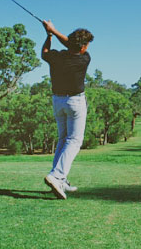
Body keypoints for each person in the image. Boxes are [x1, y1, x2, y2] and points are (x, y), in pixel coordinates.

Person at [41, 20, 94, 199]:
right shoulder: (84, 58)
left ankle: (60, 180)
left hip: (58, 101)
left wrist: (50, 34)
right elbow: (71, 45)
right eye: (86, 45)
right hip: (75, 102)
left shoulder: (57, 57)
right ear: (83, 47)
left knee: (63, 139)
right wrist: (53, 30)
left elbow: (45, 52)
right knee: (74, 141)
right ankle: (56, 176)